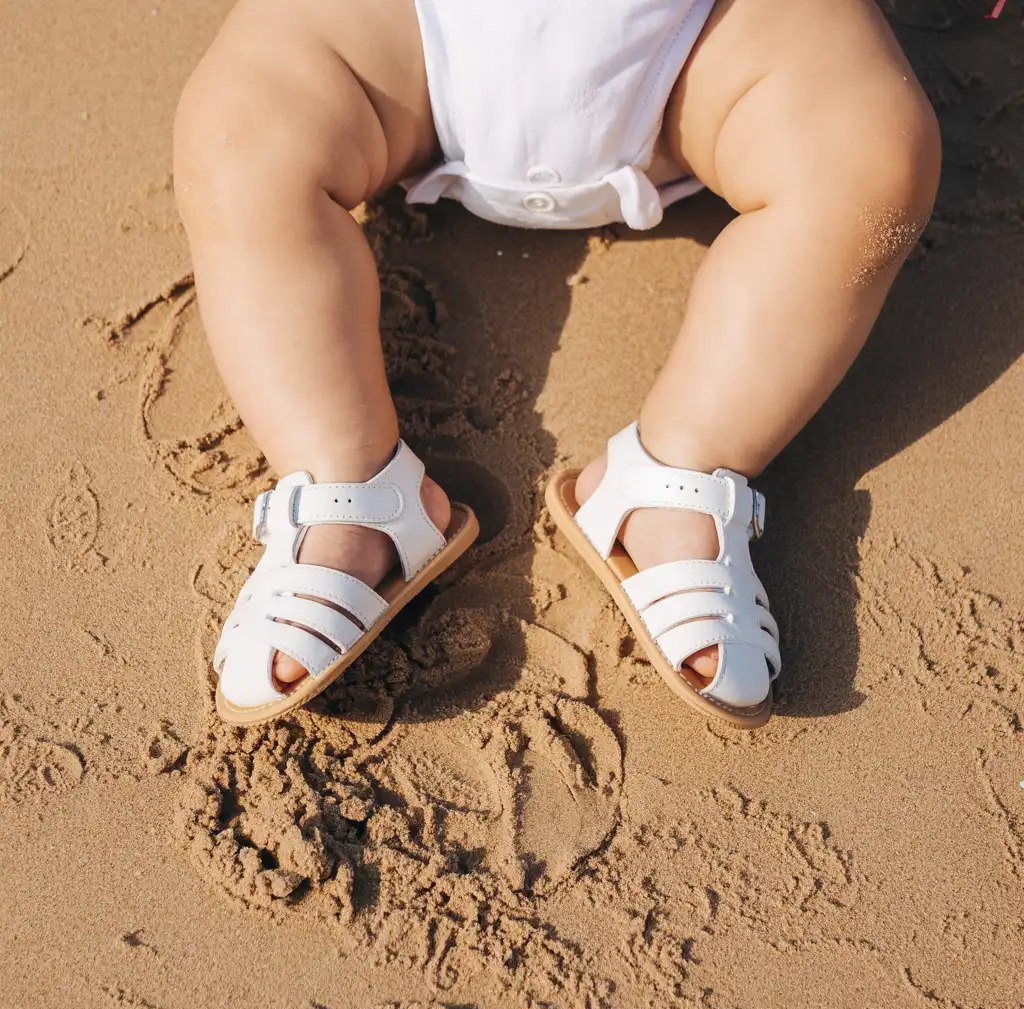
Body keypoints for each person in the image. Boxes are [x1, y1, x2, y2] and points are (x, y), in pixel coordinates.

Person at [173, 0, 940, 727]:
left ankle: (687, 464)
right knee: (238, 134)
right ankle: (343, 474)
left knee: (870, 153)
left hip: (700, 42)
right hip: (408, 38)